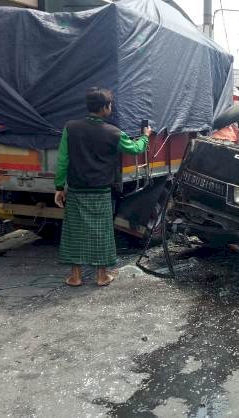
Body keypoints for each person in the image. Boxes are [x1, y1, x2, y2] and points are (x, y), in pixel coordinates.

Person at [54, 87, 152, 287]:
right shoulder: (113, 132)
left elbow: (63, 160)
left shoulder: (70, 128)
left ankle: (75, 277)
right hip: (100, 192)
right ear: (106, 108)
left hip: (76, 191)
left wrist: (58, 186)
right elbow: (135, 149)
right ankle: (101, 276)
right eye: (110, 105)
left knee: (75, 233)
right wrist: (145, 136)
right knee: (102, 233)